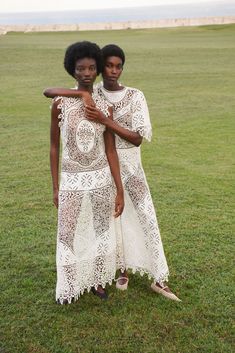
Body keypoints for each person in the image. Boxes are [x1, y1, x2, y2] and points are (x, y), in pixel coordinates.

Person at [44, 44, 181, 302]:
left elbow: (135, 140)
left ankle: (159, 278)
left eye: (117, 66)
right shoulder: (90, 94)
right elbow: (54, 93)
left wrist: (105, 119)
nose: (112, 71)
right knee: (106, 225)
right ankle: (117, 272)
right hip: (94, 171)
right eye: (108, 65)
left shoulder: (128, 98)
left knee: (143, 218)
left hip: (127, 169)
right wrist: (85, 97)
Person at [47, 41, 124, 304]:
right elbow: (54, 147)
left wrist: (120, 189)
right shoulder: (60, 103)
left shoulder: (106, 108)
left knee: (100, 230)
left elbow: (111, 151)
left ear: (98, 69)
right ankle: (68, 287)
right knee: (67, 233)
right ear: (73, 70)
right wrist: (56, 186)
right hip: (71, 181)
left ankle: (97, 281)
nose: (87, 73)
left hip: (102, 180)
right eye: (81, 68)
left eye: (92, 68)